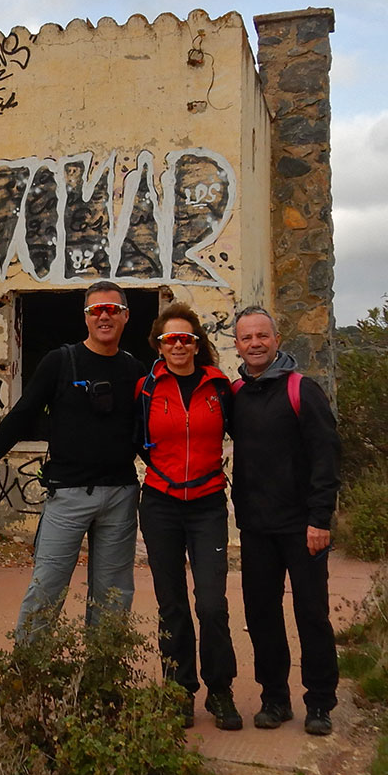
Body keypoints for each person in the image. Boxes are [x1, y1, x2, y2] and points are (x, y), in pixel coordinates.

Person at [0, 280, 146, 641]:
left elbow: (148, 434)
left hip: (120, 495)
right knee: (46, 589)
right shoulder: (61, 362)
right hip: (67, 494)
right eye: (96, 310)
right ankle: (27, 678)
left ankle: (103, 685)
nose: (104, 316)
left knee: (113, 598)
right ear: (86, 317)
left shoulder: (135, 370)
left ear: (126, 316)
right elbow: (21, 416)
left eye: (112, 310)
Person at [229, 306, 342, 736]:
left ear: (277, 340)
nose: (255, 344)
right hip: (256, 527)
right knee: (262, 616)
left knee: (311, 613)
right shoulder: (237, 393)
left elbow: (326, 457)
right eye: (246, 338)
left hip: (303, 528)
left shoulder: (303, 390)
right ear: (236, 344)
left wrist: (320, 518)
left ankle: (320, 703)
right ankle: (275, 699)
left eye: (262, 336)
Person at [135, 302, 240, 730]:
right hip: (160, 503)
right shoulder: (145, 388)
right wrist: (162, 472)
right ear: (159, 345)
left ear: (197, 343)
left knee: (212, 604)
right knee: (172, 603)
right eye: (170, 339)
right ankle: (179, 690)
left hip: (208, 504)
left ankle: (220, 691)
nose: (178, 345)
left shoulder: (219, 387)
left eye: (186, 338)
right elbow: (137, 439)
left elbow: (248, 435)